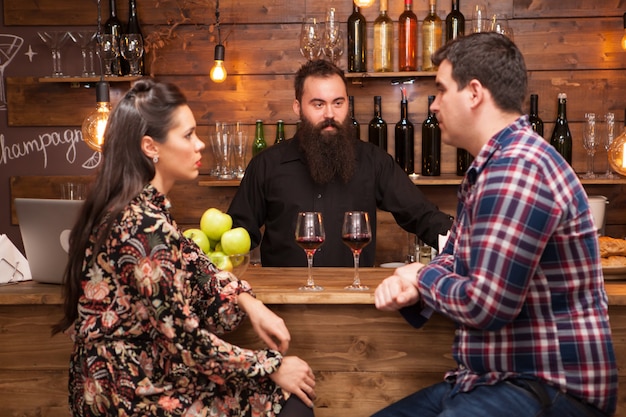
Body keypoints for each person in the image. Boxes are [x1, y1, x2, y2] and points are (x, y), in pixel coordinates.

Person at [373, 32, 618, 417]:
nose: (434, 105)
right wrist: (416, 284)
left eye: (440, 90)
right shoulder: (492, 167)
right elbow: (453, 257)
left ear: (473, 93)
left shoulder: (517, 168)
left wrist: (419, 278)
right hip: (492, 380)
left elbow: (486, 305)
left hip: (548, 387)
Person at [52, 78, 316, 417]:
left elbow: (198, 266)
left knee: (287, 401)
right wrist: (271, 365)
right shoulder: (143, 224)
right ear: (151, 146)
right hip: (130, 394)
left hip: (139, 377)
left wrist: (248, 302)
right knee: (291, 404)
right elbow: (186, 341)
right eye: (188, 135)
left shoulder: (142, 208)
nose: (200, 144)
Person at [227, 60, 453, 267]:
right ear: (298, 108)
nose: (330, 114)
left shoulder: (374, 161)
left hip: (352, 302)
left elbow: (421, 215)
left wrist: (466, 247)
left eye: (338, 103)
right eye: (318, 104)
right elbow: (239, 233)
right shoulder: (266, 165)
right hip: (283, 302)